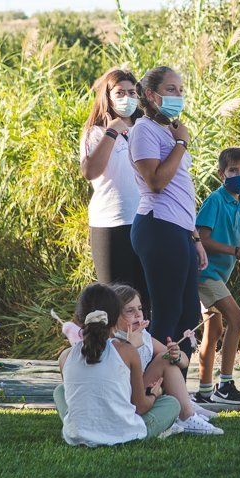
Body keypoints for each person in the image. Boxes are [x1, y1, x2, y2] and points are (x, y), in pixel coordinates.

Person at [128, 67, 207, 368]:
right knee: (167, 313)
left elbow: (181, 190)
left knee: (188, 315)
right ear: (151, 94)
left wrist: (195, 237)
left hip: (180, 229)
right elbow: (156, 181)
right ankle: (154, 392)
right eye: (172, 89)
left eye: (181, 89)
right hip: (157, 225)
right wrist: (182, 144)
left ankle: (179, 397)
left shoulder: (168, 130)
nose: (179, 95)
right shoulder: (143, 129)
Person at [53, 283, 180, 446]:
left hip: (77, 435)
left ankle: (82, 428)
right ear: (115, 317)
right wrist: (155, 394)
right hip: (124, 435)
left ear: (79, 317)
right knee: (171, 404)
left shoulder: (65, 356)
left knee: (60, 391)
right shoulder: (127, 351)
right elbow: (140, 407)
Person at [194, 147, 240, 406]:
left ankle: (203, 390)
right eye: (233, 170)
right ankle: (225, 384)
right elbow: (202, 239)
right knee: (237, 319)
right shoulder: (215, 200)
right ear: (221, 173)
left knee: (214, 328)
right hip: (205, 273)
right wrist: (238, 251)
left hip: (220, 275)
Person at [79, 67, 148, 315]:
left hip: (144, 221)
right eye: (120, 92)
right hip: (110, 223)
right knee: (115, 301)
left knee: (144, 300)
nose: (127, 98)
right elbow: (90, 171)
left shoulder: (145, 128)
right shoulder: (95, 132)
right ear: (107, 96)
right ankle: (112, 351)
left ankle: (144, 352)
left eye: (132, 92)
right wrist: (113, 130)